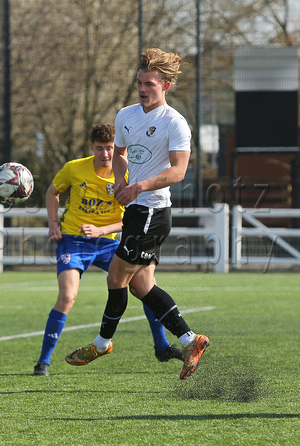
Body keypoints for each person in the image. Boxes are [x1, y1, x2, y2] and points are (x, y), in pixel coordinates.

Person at [65, 49, 210, 380]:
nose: (142, 89)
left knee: (116, 277)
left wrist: (139, 186)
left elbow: (178, 171)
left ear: (166, 86)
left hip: (153, 212)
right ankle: (191, 340)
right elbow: (119, 155)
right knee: (142, 285)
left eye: (149, 84)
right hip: (136, 210)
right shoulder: (126, 115)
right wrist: (120, 182)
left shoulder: (174, 123)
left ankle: (102, 344)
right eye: (139, 83)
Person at [33, 123, 183, 376]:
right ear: (91, 147)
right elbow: (52, 192)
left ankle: (162, 346)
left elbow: (129, 217)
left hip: (109, 242)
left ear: (118, 149)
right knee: (67, 296)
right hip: (73, 240)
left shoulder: (127, 174)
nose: (105, 153)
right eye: (100, 148)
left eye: (110, 148)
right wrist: (52, 225)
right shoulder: (73, 168)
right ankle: (43, 362)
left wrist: (102, 230)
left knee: (145, 287)